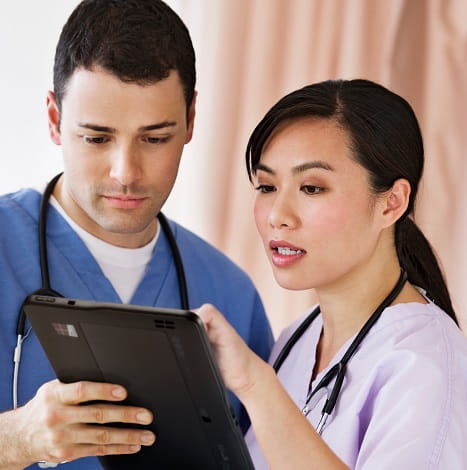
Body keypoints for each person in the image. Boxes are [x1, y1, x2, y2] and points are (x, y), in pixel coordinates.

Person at [0, 1, 274, 468]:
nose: (126, 172)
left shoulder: (231, 293)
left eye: (154, 138)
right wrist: (17, 438)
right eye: (97, 138)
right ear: (53, 119)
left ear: (190, 120)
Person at [198, 79, 467, 469]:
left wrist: (256, 387)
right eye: (267, 186)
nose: (277, 216)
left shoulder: (424, 365)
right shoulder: (298, 340)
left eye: (311, 188)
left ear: (391, 204)